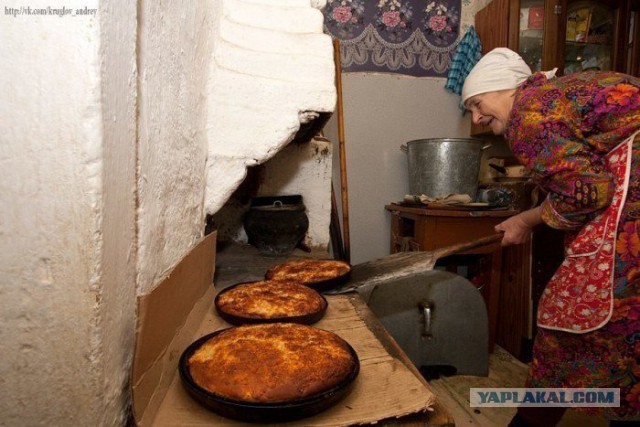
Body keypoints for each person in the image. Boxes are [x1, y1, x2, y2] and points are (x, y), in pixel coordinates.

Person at [461, 47, 640, 426]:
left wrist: (526, 220)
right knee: (628, 331)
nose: (476, 118)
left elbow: (586, 191)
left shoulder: (530, 114)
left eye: (477, 103)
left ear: (506, 89)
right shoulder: (553, 96)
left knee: (571, 313)